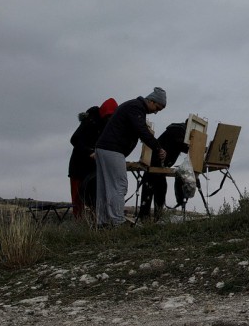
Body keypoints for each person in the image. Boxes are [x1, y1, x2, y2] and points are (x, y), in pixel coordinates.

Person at [94, 87, 168, 227]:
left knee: (105, 187)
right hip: (112, 149)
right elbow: (141, 131)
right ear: (151, 101)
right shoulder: (136, 107)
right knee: (119, 185)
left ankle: (103, 222)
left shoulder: (133, 106)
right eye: (157, 108)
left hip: (104, 148)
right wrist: (158, 148)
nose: (156, 112)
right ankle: (117, 221)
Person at [68, 98, 118, 218]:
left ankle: (94, 223)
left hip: (93, 168)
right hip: (78, 166)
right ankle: (79, 224)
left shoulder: (106, 124)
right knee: (78, 200)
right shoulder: (90, 121)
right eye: (109, 116)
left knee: (94, 197)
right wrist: (90, 151)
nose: (110, 118)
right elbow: (74, 139)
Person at [139, 121, 189, 222]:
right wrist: (198, 146)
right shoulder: (179, 130)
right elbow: (184, 147)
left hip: (159, 166)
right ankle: (147, 219)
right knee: (153, 191)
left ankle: (155, 219)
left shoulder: (179, 130)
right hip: (154, 165)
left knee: (160, 190)